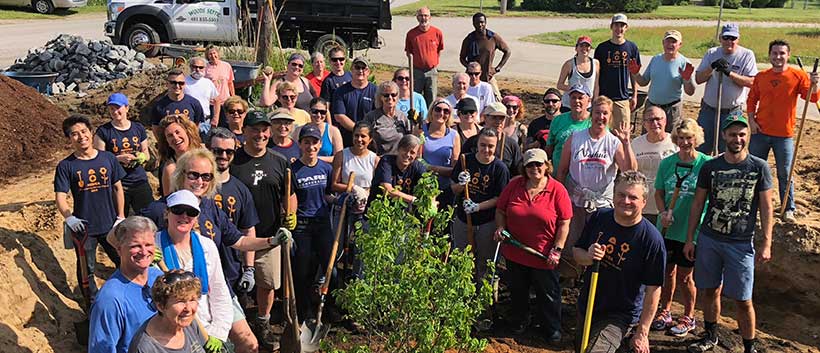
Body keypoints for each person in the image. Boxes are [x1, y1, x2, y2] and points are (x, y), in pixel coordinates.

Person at [156, 189, 289, 353]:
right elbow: (120, 233)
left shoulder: (206, 246)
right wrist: (144, 259)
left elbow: (219, 292)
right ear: (166, 213)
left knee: (249, 344)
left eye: (190, 212)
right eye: (177, 210)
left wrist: (217, 333)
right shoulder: (153, 247)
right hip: (170, 326)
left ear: (196, 217)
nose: (184, 216)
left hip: (205, 323)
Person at [684, 113, 773, 353]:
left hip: (741, 243)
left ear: (748, 136)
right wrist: (690, 238)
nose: (737, 139)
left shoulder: (759, 167)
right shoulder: (711, 167)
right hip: (710, 238)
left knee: (744, 299)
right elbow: (698, 203)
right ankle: (710, 335)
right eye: (732, 134)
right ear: (724, 136)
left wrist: (767, 243)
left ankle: (749, 347)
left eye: (742, 134)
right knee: (710, 290)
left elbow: (766, 207)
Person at [573, 171, 666, 353]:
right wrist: (589, 256)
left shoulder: (651, 239)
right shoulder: (599, 217)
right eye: (621, 195)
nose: (626, 201)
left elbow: (654, 289)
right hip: (589, 304)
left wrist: (643, 332)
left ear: (643, 202)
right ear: (613, 195)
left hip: (620, 314)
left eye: (633, 197)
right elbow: (577, 252)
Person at [230, 110, 297, 349]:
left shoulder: (279, 161)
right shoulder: (233, 161)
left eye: (264, 130)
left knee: (267, 283)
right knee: (236, 282)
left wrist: (291, 215)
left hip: (269, 235)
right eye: (254, 129)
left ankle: (262, 322)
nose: (260, 134)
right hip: (235, 236)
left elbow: (290, 194)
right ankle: (235, 327)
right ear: (245, 131)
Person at [494, 148, 571, 342]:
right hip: (515, 252)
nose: (534, 168)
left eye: (538, 164)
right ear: (524, 167)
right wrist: (500, 228)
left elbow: (564, 222)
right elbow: (501, 210)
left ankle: (551, 327)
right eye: (529, 165)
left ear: (547, 166)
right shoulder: (515, 185)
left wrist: (558, 248)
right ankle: (520, 320)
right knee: (518, 290)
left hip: (543, 255)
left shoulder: (557, 190)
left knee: (548, 294)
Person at [747, 39, 819, 222]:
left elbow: (811, 98)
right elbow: (751, 100)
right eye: (774, 53)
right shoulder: (761, 76)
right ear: (769, 55)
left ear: (788, 55)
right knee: (753, 169)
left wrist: (814, 85)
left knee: (784, 172)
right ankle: (751, 204)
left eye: (782, 53)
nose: (778, 57)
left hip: (784, 135)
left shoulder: (798, 76)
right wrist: (751, 121)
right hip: (760, 132)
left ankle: (788, 207)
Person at [55, 115, 126, 300]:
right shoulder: (66, 166)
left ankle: (128, 296)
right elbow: (61, 197)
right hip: (84, 229)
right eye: (74, 134)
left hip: (111, 224)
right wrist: (69, 217)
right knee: (87, 270)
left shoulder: (108, 158)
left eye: (84, 132)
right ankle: (92, 305)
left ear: (91, 132)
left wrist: (120, 216)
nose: (81, 137)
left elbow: (118, 188)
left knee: (124, 262)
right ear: (69, 138)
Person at [557, 96, 637, 261]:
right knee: (573, 242)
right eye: (598, 112)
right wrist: (559, 200)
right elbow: (562, 170)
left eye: (605, 113)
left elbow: (630, 172)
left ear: (610, 117)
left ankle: (593, 278)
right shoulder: (575, 138)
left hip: (601, 205)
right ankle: (570, 278)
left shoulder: (614, 142)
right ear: (591, 113)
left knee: (598, 246)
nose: (601, 117)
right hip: (576, 201)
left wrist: (627, 143)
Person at [651, 118, 709, 337]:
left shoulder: (705, 164)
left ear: (696, 138)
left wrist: (693, 236)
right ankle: (665, 311)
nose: (685, 143)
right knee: (667, 272)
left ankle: (689, 316)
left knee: (685, 276)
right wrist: (662, 212)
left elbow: (707, 199)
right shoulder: (667, 163)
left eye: (689, 138)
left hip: (689, 232)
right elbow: (658, 192)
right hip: (666, 228)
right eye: (681, 138)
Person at [89, 216, 162, 353]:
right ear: (119, 249)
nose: (144, 252)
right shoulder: (110, 300)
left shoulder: (157, 277)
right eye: (135, 246)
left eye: (148, 245)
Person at [451, 128, 510, 280]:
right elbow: (454, 188)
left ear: (495, 146)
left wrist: (478, 207)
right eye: (483, 145)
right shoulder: (465, 161)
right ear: (477, 144)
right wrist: (460, 184)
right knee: (462, 259)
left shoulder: (500, 169)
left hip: (486, 222)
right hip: (464, 220)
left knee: (485, 262)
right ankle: (463, 297)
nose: (486, 149)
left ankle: (481, 299)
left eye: (490, 146)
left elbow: (500, 198)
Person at [209, 128, 262, 298]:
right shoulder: (198, 186)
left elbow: (248, 230)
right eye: (217, 151)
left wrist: (249, 269)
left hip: (232, 268)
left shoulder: (241, 190)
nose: (223, 155)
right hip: (204, 269)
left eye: (228, 151)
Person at [291, 124, 334, 322]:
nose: (311, 146)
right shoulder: (293, 170)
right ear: (300, 144)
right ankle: (303, 310)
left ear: (319, 144)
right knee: (303, 268)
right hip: (302, 225)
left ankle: (329, 308)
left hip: (323, 223)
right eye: (306, 142)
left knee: (329, 266)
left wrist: (341, 199)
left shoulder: (326, 168)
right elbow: (289, 198)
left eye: (314, 142)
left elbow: (328, 195)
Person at [695, 23, 757, 155]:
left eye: (733, 38)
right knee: (701, 147)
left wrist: (730, 73)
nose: (729, 41)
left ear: (738, 39)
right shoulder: (712, 53)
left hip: (732, 112)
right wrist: (711, 67)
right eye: (726, 37)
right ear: (720, 38)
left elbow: (752, 82)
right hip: (709, 111)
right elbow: (698, 79)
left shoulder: (746, 55)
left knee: (729, 150)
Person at [93, 93, 153, 215]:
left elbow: (146, 153)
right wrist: (118, 159)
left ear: (126, 108)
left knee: (148, 216)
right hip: (118, 183)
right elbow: (100, 160)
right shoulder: (103, 131)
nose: (115, 112)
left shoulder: (138, 128)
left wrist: (140, 158)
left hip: (139, 180)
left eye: (118, 108)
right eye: (111, 108)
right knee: (119, 218)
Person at [629, 30, 695, 132]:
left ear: (680, 44)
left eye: (674, 42)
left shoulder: (684, 63)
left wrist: (687, 79)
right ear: (663, 43)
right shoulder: (656, 59)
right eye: (667, 41)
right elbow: (643, 82)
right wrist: (636, 73)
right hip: (652, 106)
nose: (670, 45)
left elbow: (690, 92)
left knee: (669, 141)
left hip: (671, 110)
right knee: (648, 138)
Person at [127, 270, 206, 353]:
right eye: (181, 301)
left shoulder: (188, 322)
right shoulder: (145, 347)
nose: (188, 309)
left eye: (192, 300)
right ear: (161, 306)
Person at [631, 107, 678, 224]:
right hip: (642, 205)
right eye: (650, 120)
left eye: (658, 119)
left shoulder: (675, 143)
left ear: (665, 121)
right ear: (644, 124)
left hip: (666, 206)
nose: (655, 123)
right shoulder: (636, 143)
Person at [593, 13, 640, 129]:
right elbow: (596, 75)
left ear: (626, 28)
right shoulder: (602, 48)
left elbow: (634, 73)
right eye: (616, 25)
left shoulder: (632, 47)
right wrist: (595, 96)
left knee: (623, 132)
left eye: (622, 26)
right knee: (601, 130)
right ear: (611, 27)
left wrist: (634, 95)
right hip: (604, 97)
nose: (619, 29)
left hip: (622, 98)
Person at [459, 12, 511, 100]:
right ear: (473, 24)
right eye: (477, 23)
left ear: (485, 23)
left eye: (482, 22)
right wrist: (470, 68)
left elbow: (507, 51)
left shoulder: (493, 37)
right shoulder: (469, 39)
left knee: (497, 100)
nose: (480, 25)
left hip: (488, 76)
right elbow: (462, 58)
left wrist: (497, 68)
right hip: (472, 78)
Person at [420, 98, 460, 206]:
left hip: (445, 187)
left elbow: (454, 166)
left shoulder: (454, 135)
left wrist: (432, 168)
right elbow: (417, 159)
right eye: (438, 109)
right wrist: (428, 169)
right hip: (424, 185)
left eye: (446, 111)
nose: (441, 113)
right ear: (431, 111)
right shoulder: (421, 131)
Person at [464, 102, 523, 175]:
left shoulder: (512, 145)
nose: (498, 122)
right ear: (485, 118)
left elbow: (518, 173)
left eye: (501, 118)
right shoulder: (472, 142)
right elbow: (462, 166)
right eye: (494, 117)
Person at [332, 56, 377, 146]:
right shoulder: (340, 91)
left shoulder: (376, 91)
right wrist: (359, 131)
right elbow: (339, 116)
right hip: (346, 140)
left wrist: (365, 134)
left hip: (369, 142)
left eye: (363, 68)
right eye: (357, 67)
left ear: (368, 72)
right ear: (351, 70)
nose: (360, 71)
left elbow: (379, 114)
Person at [370, 134, 427, 203]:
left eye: (412, 152)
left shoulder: (418, 166)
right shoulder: (386, 161)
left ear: (416, 155)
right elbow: (387, 190)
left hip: (404, 212)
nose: (408, 154)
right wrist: (413, 200)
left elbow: (428, 187)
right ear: (398, 148)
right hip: (379, 208)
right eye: (405, 150)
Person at [546, 84, 591, 168]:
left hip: (584, 174)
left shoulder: (595, 121)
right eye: (573, 97)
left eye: (580, 98)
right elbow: (549, 148)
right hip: (559, 174)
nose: (576, 101)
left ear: (589, 101)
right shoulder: (557, 120)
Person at [405, 6, 443, 104]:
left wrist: (432, 63)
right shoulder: (411, 34)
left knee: (431, 98)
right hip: (417, 72)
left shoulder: (437, 33)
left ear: (430, 17)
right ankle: (416, 119)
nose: (423, 18)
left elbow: (439, 50)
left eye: (426, 15)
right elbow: (409, 52)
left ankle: (430, 118)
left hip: (432, 72)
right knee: (414, 98)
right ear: (417, 17)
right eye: (421, 16)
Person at [156, 114, 203, 196]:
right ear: (166, 141)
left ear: (187, 132)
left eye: (178, 132)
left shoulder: (204, 154)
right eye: (170, 136)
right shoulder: (170, 169)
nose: (175, 137)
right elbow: (169, 199)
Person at [150, 69, 205, 138]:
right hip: (168, 145)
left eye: (180, 83)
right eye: (173, 82)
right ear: (167, 84)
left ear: (185, 84)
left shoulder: (194, 103)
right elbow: (156, 129)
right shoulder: (158, 106)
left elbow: (196, 126)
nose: (177, 86)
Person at [363, 81, 412, 156]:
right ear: (380, 97)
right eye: (386, 95)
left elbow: (410, 139)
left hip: (399, 160)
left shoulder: (403, 117)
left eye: (393, 95)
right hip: (379, 160)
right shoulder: (371, 117)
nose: (390, 98)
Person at [331, 121, 380, 194]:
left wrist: (364, 193)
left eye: (363, 136)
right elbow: (334, 185)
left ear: (370, 139)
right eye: (356, 135)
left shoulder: (375, 159)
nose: (359, 139)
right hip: (345, 200)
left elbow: (378, 186)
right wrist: (354, 189)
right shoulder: (341, 156)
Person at [294, 97, 343, 163]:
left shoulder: (334, 131)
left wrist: (315, 158)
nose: (318, 115)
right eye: (315, 111)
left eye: (322, 112)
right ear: (309, 111)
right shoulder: (299, 130)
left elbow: (339, 157)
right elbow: (294, 154)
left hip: (326, 171)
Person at [557, 36, 599, 112]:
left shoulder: (595, 63)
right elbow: (559, 85)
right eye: (581, 46)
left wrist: (595, 101)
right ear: (576, 48)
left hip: (587, 106)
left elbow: (596, 85)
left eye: (587, 46)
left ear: (590, 48)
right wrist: (575, 90)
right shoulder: (569, 64)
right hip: (569, 105)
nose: (584, 48)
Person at [185, 57, 220, 130]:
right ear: (190, 67)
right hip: (188, 121)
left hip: (205, 122)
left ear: (205, 68)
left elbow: (217, 100)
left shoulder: (208, 83)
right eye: (195, 67)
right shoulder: (183, 82)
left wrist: (215, 118)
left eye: (201, 67)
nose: (197, 70)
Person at [205, 45, 235, 116]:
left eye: (214, 53)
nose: (213, 55)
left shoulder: (226, 66)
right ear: (207, 56)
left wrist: (233, 97)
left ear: (218, 54)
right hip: (212, 102)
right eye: (210, 54)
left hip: (225, 101)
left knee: (225, 124)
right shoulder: (205, 68)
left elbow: (230, 83)